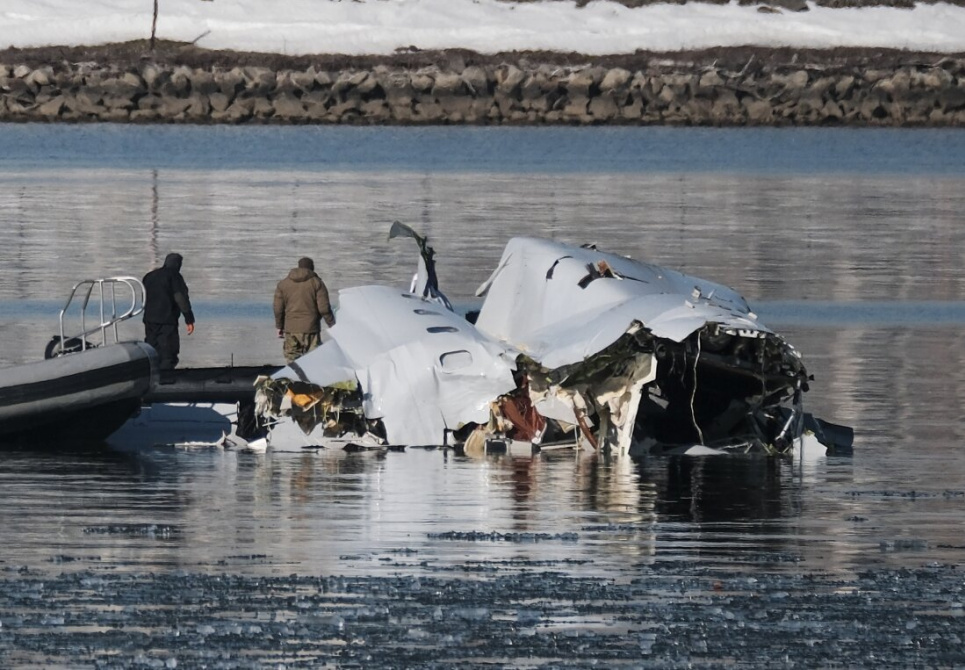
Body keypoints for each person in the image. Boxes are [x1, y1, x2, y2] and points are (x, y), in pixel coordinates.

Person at [273, 256, 335, 364]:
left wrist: (279, 326)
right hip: (311, 328)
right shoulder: (317, 283)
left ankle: (294, 379)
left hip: (290, 329)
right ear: (312, 268)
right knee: (314, 361)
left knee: (292, 360)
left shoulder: (283, 284)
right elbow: (324, 308)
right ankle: (312, 380)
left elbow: (278, 309)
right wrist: (332, 324)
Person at [142, 252, 195, 370]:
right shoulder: (174, 276)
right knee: (168, 352)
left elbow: (144, 297)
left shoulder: (149, 276)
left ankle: (151, 375)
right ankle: (166, 379)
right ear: (178, 264)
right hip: (167, 320)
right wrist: (189, 319)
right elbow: (180, 298)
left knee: (151, 350)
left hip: (149, 319)